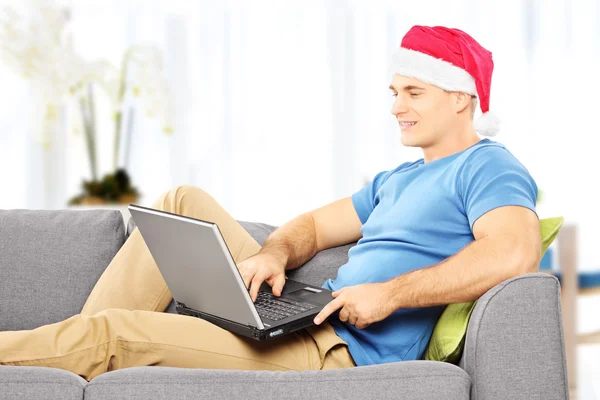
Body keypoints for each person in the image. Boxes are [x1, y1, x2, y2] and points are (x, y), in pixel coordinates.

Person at [0, 25, 541, 381]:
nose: (396, 106)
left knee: (114, 333)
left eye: (413, 93)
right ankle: (64, 355)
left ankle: (70, 350)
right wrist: (275, 254)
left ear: (462, 97)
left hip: (337, 352)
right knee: (181, 199)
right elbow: (309, 225)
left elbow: (513, 253)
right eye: (393, 92)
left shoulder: (487, 166)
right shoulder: (396, 179)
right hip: (307, 314)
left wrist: (391, 295)